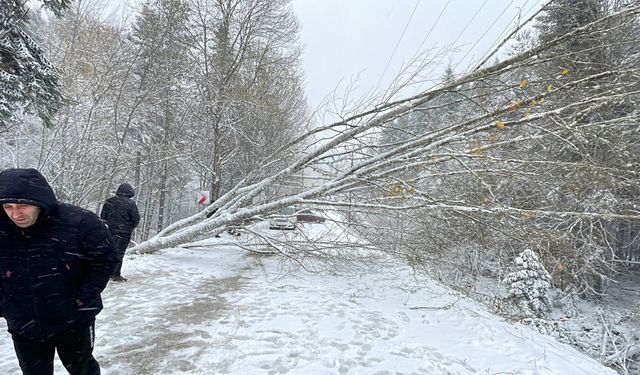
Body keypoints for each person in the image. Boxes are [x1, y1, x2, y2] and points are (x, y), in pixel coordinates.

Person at [0, 168, 118, 375]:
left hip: (74, 321)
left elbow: (105, 260)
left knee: (83, 369)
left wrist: (80, 299)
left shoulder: (79, 222)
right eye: (7, 206)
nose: (15, 214)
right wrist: (5, 305)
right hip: (23, 323)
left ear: (39, 200)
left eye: (23, 205)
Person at [100, 182, 140, 282]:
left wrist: (111, 224)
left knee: (111, 252)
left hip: (111, 232)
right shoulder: (131, 204)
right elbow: (136, 219)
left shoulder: (109, 201)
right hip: (124, 233)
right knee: (119, 254)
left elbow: (103, 217)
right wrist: (130, 227)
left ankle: (108, 273)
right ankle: (116, 275)